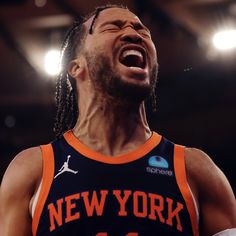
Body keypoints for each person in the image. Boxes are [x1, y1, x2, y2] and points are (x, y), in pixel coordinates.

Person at [0, 4, 236, 236]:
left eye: (142, 30)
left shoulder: (194, 168)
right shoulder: (33, 169)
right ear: (76, 67)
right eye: (113, 27)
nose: (134, 34)